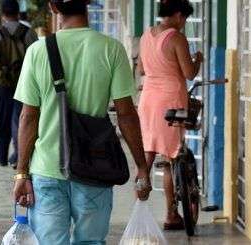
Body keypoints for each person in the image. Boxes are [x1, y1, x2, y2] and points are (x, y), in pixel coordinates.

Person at [11, 0, 152, 243]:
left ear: (53, 7)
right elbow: (126, 114)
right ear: (87, 3)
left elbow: (28, 116)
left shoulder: (37, 51)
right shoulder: (111, 49)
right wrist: (141, 166)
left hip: (47, 169)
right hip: (94, 166)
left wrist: (21, 174)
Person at [135, 0, 201, 231]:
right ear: (177, 15)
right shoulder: (176, 38)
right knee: (172, 157)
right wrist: (198, 60)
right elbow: (189, 73)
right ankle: (171, 215)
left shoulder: (146, 36)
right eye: (184, 18)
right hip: (172, 100)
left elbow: (141, 70)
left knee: (148, 154)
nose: (184, 23)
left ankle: (138, 203)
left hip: (148, 101)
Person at [0, 0, 37, 168]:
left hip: (2, 84)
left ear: (2, 15)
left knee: (3, 120)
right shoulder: (29, 33)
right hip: (25, 84)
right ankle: (19, 156)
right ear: (18, 13)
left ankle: (2, 154)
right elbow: (39, 60)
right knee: (22, 119)